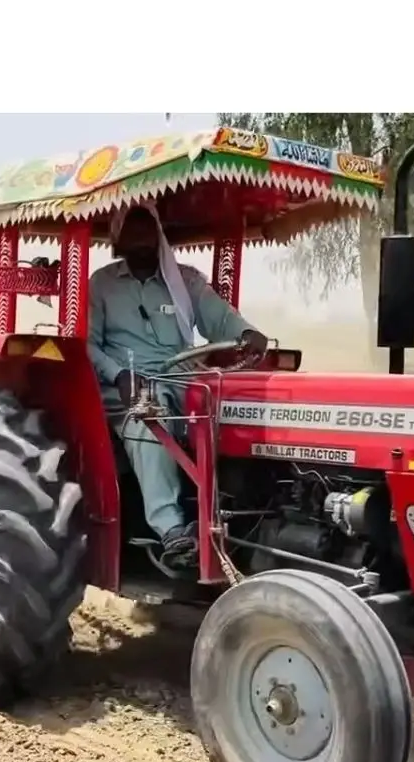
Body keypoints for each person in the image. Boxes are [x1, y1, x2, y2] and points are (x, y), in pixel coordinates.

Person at [87, 203, 268, 562]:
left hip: (181, 375)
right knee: (147, 417)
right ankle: (171, 529)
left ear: (158, 234)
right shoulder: (102, 285)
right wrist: (119, 374)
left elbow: (219, 317)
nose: (140, 236)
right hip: (125, 384)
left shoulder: (185, 281)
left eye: (147, 227)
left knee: (235, 403)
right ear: (118, 236)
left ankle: (250, 510)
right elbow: (87, 344)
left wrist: (247, 332)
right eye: (131, 228)